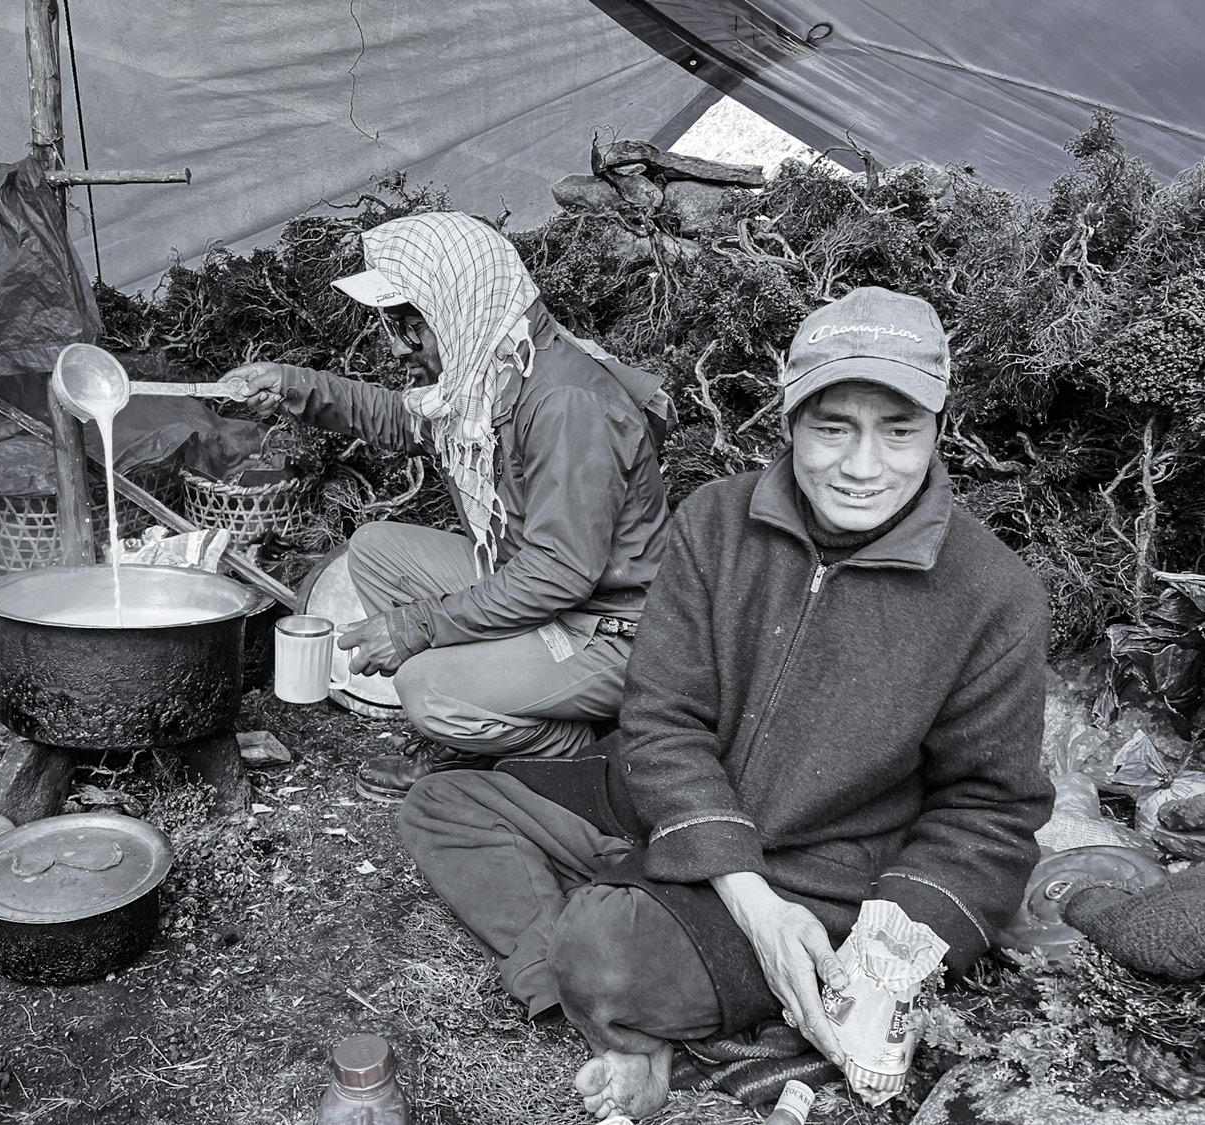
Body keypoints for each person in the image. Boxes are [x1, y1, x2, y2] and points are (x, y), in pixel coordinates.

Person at [398, 286, 1055, 1119]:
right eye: (833, 427)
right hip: (674, 813)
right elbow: (663, 718)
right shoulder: (716, 520)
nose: (862, 466)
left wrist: (888, 951)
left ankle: (615, 957)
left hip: (818, 880)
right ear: (789, 421)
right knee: (440, 802)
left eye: (899, 430)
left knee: (603, 948)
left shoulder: (993, 594)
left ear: (937, 428)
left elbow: (989, 812)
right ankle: (616, 991)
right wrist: (744, 899)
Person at [226, 211, 673, 802]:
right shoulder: (487, 373)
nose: (396, 346)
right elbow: (398, 418)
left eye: (412, 326)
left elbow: (560, 573)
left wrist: (416, 627)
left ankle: (576, 750)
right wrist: (292, 385)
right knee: (376, 550)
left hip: (607, 631)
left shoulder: (565, 404)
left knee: (426, 688)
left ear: (461, 306)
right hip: (533, 583)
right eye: (391, 324)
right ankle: (497, 709)